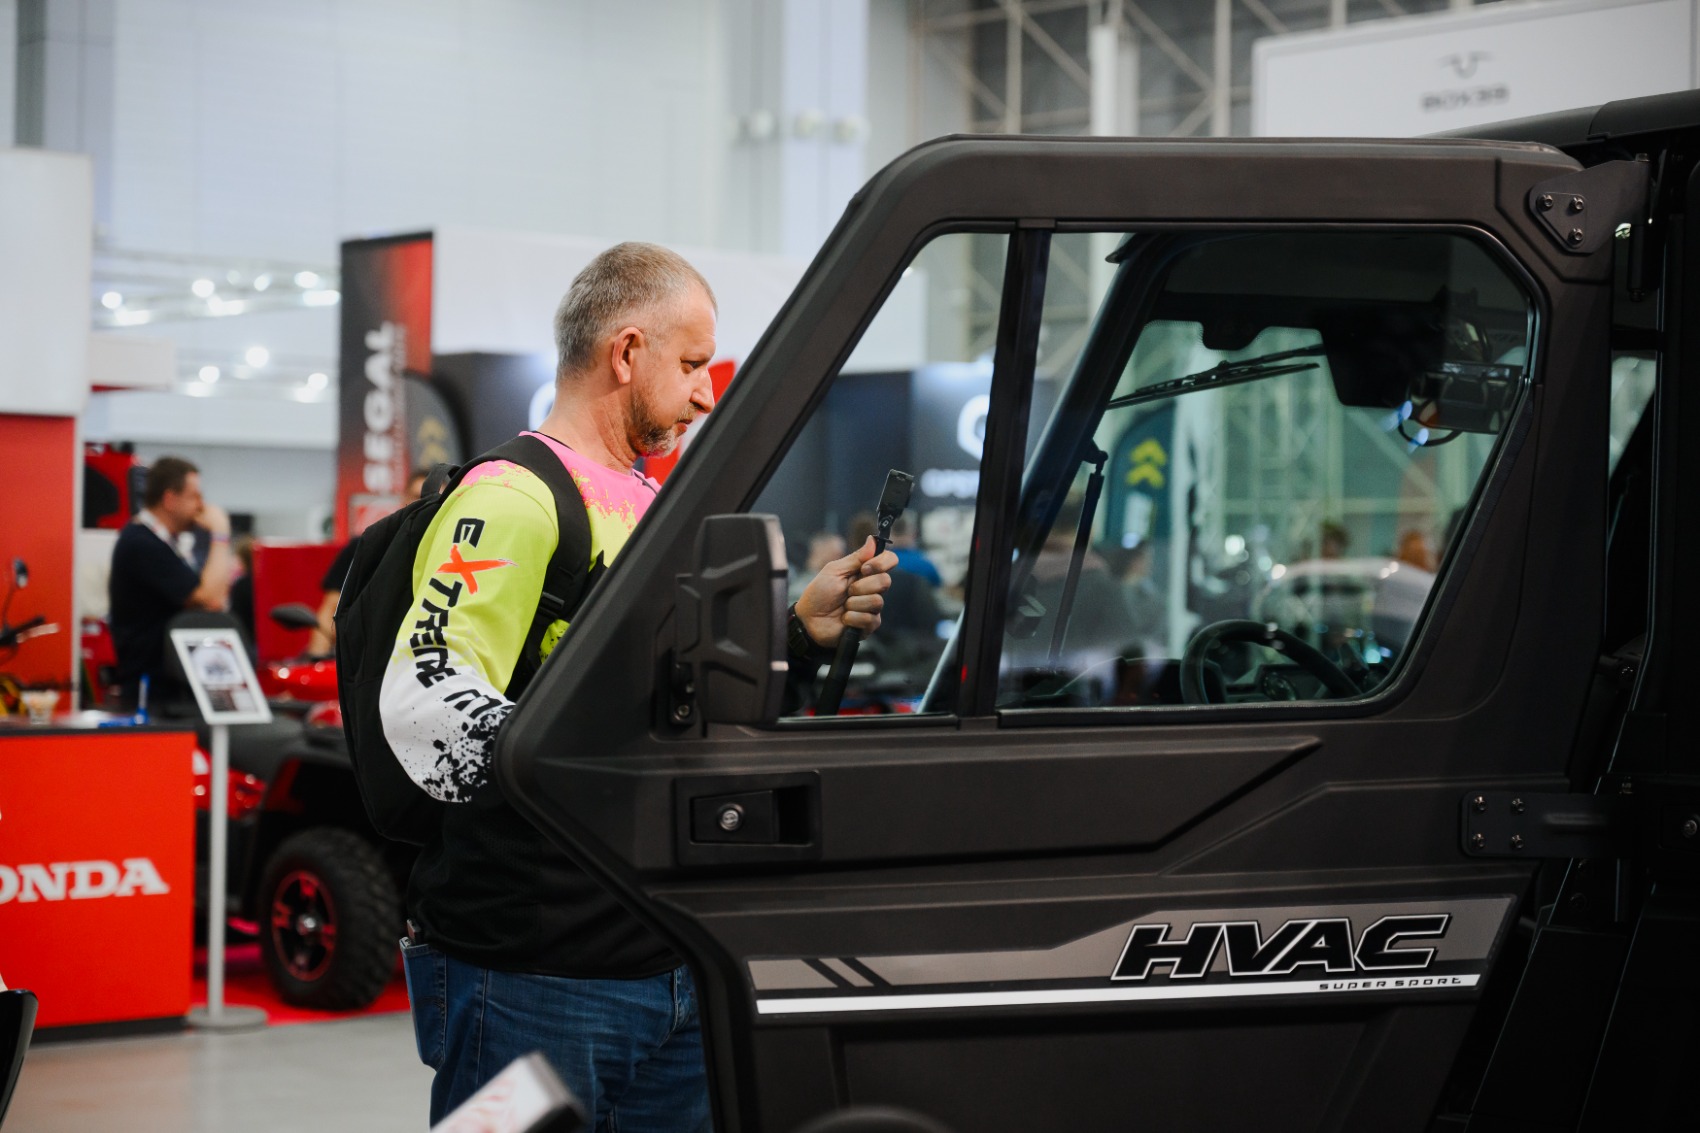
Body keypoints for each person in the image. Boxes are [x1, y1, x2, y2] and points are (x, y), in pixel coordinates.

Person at [384, 242, 897, 1130]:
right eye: (693, 364)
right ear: (626, 352)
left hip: (666, 954)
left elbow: (654, 687)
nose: (705, 394)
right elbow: (424, 695)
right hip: (534, 973)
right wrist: (578, 762)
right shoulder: (512, 498)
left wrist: (793, 631)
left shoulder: (646, 502)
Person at [107, 456, 234, 712]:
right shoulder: (142, 543)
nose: (201, 506)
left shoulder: (164, 543)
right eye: (194, 496)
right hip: (151, 691)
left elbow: (216, 599)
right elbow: (209, 597)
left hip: (170, 686)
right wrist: (220, 534)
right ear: (169, 499)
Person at [306, 467, 429, 656]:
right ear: (404, 498)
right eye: (418, 497)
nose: (426, 505)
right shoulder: (367, 546)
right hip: (368, 662)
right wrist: (316, 660)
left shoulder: (454, 555)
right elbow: (330, 612)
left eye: (436, 499)